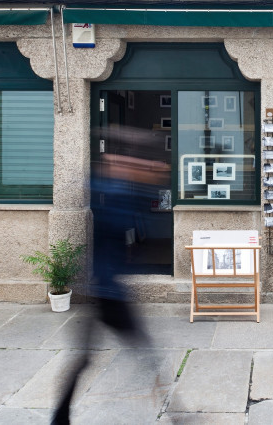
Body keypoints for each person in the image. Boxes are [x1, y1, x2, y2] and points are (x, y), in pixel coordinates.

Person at [52, 131, 169, 424]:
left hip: (106, 289)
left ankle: (60, 416)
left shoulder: (114, 187)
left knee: (85, 357)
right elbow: (123, 212)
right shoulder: (115, 193)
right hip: (110, 292)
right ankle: (176, 414)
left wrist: (133, 166)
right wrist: (137, 167)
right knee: (147, 353)